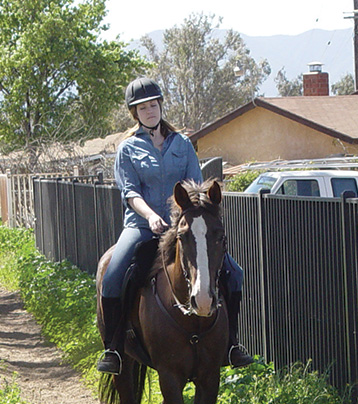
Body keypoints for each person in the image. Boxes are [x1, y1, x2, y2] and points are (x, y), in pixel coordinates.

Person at [97, 76, 254, 374]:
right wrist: (150, 215)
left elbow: (195, 185)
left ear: (160, 106)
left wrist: (193, 214)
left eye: (153, 105)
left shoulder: (181, 143)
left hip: (182, 226)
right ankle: (114, 349)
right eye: (143, 108)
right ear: (135, 113)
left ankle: (232, 344)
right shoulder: (128, 149)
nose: (150, 111)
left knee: (235, 273)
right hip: (142, 226)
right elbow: (130, 192)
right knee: (113, 274)